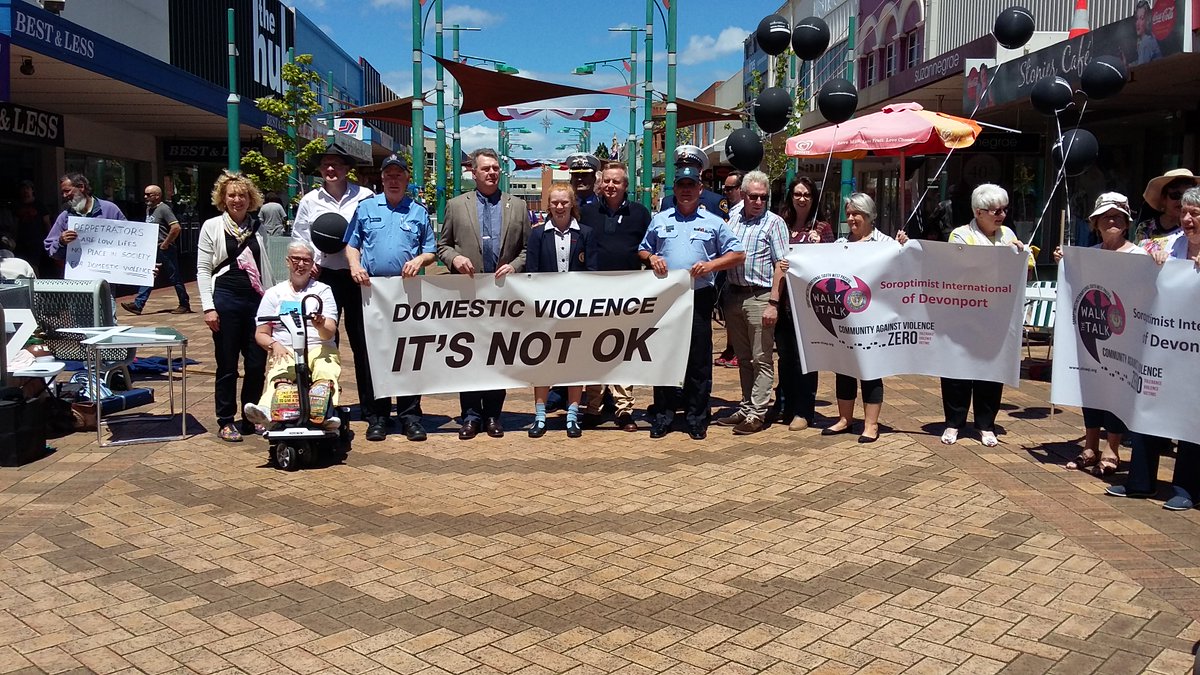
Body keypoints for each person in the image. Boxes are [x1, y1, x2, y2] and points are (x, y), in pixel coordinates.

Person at [1106, 186, 1200, 511]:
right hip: (1162, 343)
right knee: (1148, 406)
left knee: (1192, 413)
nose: (1187, 219)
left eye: (1195, 214)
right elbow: (1138, 263)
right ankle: (1140, 482)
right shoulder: (1171, 245)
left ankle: (1186, 488)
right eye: (1184, 212)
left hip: (1195, 351)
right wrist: (1153, 259)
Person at [639, 165, 745, 440]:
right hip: (666, 298)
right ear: (675, 189)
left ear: (700, 189)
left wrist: (711, 265)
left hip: (698, 297)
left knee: (698, 360)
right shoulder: (660, 220)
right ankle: (663, 416)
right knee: (663, 357)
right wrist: (651, 258)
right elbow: (643, 248)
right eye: (681, 185)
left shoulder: (713, 222)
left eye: (691, 185)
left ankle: (697, 417)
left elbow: (737, 254)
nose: (686, 190)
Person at [437, 147, 529, 440]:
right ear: (473, 172)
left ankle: (493, 415)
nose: (491, 172)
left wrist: (514, 266)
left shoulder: (517, 206)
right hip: (468, 295)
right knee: (469, 355)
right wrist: (454, 259)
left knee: (497, 355)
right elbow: (443, 245)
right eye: (485, 168)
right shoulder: (455, 205)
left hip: (503, 296)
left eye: (495, 168)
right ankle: (471, 416)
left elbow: (528, 249)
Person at [1053, 192, 1146, 474]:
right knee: (1091, 387)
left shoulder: (1140, 255)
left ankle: (1112, 449)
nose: (1112, 221)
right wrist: (1063, 261)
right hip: (1092, 331)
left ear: (1127, 222)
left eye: (1118, 216)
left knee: (1117, 389)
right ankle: (1090, 446)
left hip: (1125, 334)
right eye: (1106, 216)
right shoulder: (1088, 255)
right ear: (1096, 223)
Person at [345, 154, 436, 442]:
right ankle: (377, 417)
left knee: (409, 355)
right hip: (373, 294)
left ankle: (410, 416)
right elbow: (352, 245)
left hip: (406, 295)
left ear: (407, 179)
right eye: (389, 175)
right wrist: (355, 265)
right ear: (381, 179)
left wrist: (420, 260)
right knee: (373, 356)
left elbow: (431, 249)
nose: (394, 180)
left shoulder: (418, 212)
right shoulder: (366, 208)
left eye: (399, 175)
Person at [938, 184, 1027, 448]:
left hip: (996, 315)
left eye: (1004, 209)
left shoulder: (1008, 234)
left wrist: (1021, 255)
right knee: (957, 370)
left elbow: (1020, 269)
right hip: (962, 314)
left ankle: (986, 424)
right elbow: (960, 267)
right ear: (978, 212)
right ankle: (954, 422)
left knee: (991, 369)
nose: (1001, 215)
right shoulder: (960, 235)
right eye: (995, 210)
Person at [196, 171, 274, 442]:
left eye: (242, 195)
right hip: (225, 300)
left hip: (255, 301)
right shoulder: (212, 226)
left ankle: (252, 417)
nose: (237, 199)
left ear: (250, 198)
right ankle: (226, 420)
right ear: (223, 199)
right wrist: (209, 307)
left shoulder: (258, 226)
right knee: (227, 364)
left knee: (256, 363)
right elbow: (203, 270)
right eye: (231, 195)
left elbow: (267, 266)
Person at [578, 161, 652, 432]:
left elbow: (649, 247)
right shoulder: (585, 213)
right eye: (606, 181)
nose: (610, 186)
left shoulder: (640, 213)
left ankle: (623, 409)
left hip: (628, 293)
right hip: (593, 293)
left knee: (624, 350)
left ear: (626, 186)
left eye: (616, 182)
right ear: (600, 184)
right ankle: (594, 407)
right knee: (594, 350)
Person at [822, 193, 901, 444]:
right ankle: (845, 419)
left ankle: (871, 424)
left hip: (874, 319)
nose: (852, 218)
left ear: (869, 216)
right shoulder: (839, 244)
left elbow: (901, 275)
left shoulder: (886, 242)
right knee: (844, 369)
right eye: (849, 213)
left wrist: (903, 248)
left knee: (870, 370)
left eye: (857, 213)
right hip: (846, 319)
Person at [716, 170, 789, 436]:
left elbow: (781, 265)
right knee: (744, 357)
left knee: (762, 357)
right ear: (743, 195)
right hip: (733, 294)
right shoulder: (733, 218)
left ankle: (758, 412)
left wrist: (773, 302)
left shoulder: (774, 223)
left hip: (760, 296)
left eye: (764, 197)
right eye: (754, 197)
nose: (759, 202)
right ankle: (746, 407)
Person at [243, 239, 341, 431]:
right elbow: (261, 332)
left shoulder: (322, 291)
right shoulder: (273, 293)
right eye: (296, 259)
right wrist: (273, 345)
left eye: (306, 260)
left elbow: (330, 330)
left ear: (313, 264)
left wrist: (320, 324)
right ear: (288, 261)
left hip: (318, 345)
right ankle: (265, 410)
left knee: (325, 370)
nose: (301, 264)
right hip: (286, 347)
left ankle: (327, 414)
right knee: (280, 372)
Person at [525, 183, 596, 438]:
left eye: (564, 202)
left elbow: (592, 271)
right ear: (548, 205)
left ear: (572, 203)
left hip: (577, 310)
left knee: (575, 363)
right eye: (554, 202)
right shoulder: (537, 235)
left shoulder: (586, 233)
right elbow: (530, 273)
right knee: (543, 363)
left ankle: (573, 415)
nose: (559, 206)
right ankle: (540, 416)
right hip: (546, 311)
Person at [291, 142, 374, 341]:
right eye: (326, 164)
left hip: (358, 276)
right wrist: (310, 262)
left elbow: (372, 234)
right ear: (319, 169)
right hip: (324, 275)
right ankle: (326, 373)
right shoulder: (309, 200)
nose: (330, 169)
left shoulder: (365, 197)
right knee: (325, 333)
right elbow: (300, 236)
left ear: (346, 169)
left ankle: (366, 374)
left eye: (336, 164)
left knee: (361, 335)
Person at [775, 176, 835, 431]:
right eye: (797, 194)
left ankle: (804, 410)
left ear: (813, 198)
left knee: (805, 359)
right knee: (785, 357)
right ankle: (784, 406)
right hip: (783, 300)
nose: (801, 199)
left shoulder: (822, 228)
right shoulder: (781, 225)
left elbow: (832, 264)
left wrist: (817, 246)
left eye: (806, 195)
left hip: (808, 305)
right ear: (791, 196)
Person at [123, 185, 191, 316]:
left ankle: (184, 303)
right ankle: (138, 304)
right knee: (149, 274)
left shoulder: (164, 209)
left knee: (174, 276)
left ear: (157, 196)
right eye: (145, 194)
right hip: (151, 249)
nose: (145, 197)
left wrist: (166, 243)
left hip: (164, 249)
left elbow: (176, 227)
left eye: (149, 194)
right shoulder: (149, 209)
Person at [45, 173, 126, 264]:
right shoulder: (64, 217)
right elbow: (51, 250)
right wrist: (61, 242)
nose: (64, 196)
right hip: (78, 274)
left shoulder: (110, 210)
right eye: (62, 192)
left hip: (108, 272)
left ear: (81, 187)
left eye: (67, 191)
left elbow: (128, 239)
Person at [714, 170, 746, 368]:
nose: (726, 192)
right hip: (726, 271)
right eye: (724, 188)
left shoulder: (742, 211)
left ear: (740, 190)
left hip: (738, 271)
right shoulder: (729, 210)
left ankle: (737, 350)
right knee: (727, 312)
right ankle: (730, 347)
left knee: (737, 315)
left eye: (730, 188)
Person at [1134, 169, 1198, 253]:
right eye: (1175, 195)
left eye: (1186, 196)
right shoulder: (1145, 227)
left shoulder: (1192, 228)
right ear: (1163, 198)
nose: (1181, 201)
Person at [658, 145, 729, 219]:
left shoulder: (715, 201)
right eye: (681, 167)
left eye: (690, 167)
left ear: (700, 171)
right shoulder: (668, 202)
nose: (685, 171)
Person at [10, 180, 51, 276]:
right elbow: (15, 224)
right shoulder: (18, 206)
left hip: (36, 241)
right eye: (23, 189)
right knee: (22, 264)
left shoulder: (39, 205)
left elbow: (47, 222)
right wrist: (13, 239)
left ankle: (36, 286)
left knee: (34, 265)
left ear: (32, 190)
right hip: (21, 241)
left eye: (27, 188)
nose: (25, 191)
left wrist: (50, 239)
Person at [1132, 0, 1162, 66]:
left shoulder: (1146, 42)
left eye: (1142, 18)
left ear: (1148, 20)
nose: (1138, 23)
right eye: (1137, 18)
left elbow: (1140, 70)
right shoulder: (1148, 38)